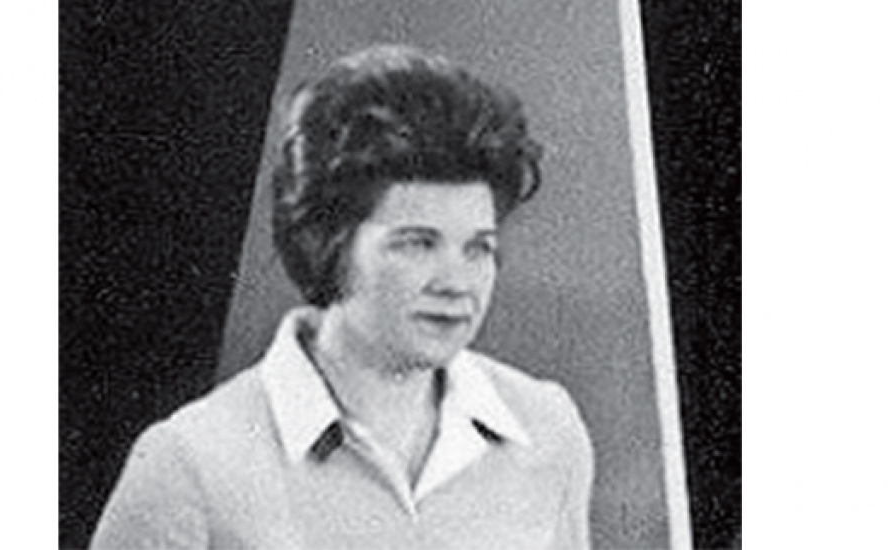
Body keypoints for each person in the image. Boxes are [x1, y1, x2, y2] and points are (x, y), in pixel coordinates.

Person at [91, 44, 594, 549]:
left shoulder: (547, 429)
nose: (456, 283)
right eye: (417, 243)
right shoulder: (192, 464)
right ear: (328, 243)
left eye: (478, 248)